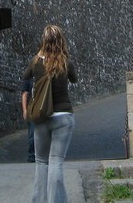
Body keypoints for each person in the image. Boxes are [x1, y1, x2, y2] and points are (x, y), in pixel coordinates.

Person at [22, 25, 78, 203]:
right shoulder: (65, 63)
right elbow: (74, 79)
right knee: (56, 162)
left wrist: (40, 54)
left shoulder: (36, 61)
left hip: (42, 117)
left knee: (41, 162)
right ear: (61, 40)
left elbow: (25, 76)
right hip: (63, 116)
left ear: (44, 41)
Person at [21, 76, 35, 163]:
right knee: (32, 133)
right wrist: (25, 110)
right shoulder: (29, 78)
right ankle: (31, 155)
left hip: (44, 109)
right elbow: (25, 94)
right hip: (32, 109)